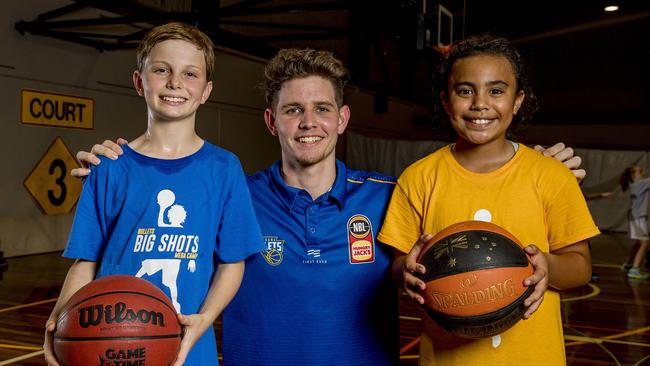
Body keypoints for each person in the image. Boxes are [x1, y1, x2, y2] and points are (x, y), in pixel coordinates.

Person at [72, 47, 587, 365]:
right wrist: (117, 163)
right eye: (292, 110)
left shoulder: (393, 192)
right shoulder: (232, 192)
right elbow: (151, 217)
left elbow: (476, 197)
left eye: (321, 109)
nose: (308, 123)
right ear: (272, 122)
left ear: (342, 120)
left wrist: (538, 160)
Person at [43, 22, 263, 366]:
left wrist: (204, 319)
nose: (175, 83)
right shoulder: (108, 166)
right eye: (161, 70)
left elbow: (232, 263)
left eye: (190, 74)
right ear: (139, 81)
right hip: (112, 347)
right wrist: (58, 322)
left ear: (206, 91)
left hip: (189, 350)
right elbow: (85, 263)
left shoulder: (224, 168)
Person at [377, 34, 600, 365]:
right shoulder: (418, 178)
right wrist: (404, 273)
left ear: (518, 100)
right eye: (465, 91)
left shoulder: (550, 175)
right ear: (445, 100)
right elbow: (398, 264)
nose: (480, 103)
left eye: (496, 91)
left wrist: (546, 267)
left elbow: (580, 267)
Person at [619, 165, 650, 280]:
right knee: (645, 243)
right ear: (633, 176)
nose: (643, 173)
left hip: (636, 217)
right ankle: (634, 270)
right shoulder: (639, 184)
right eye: (640, 171)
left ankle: (629, 264)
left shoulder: (636, 185)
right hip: (638, 218)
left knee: (639, 243)